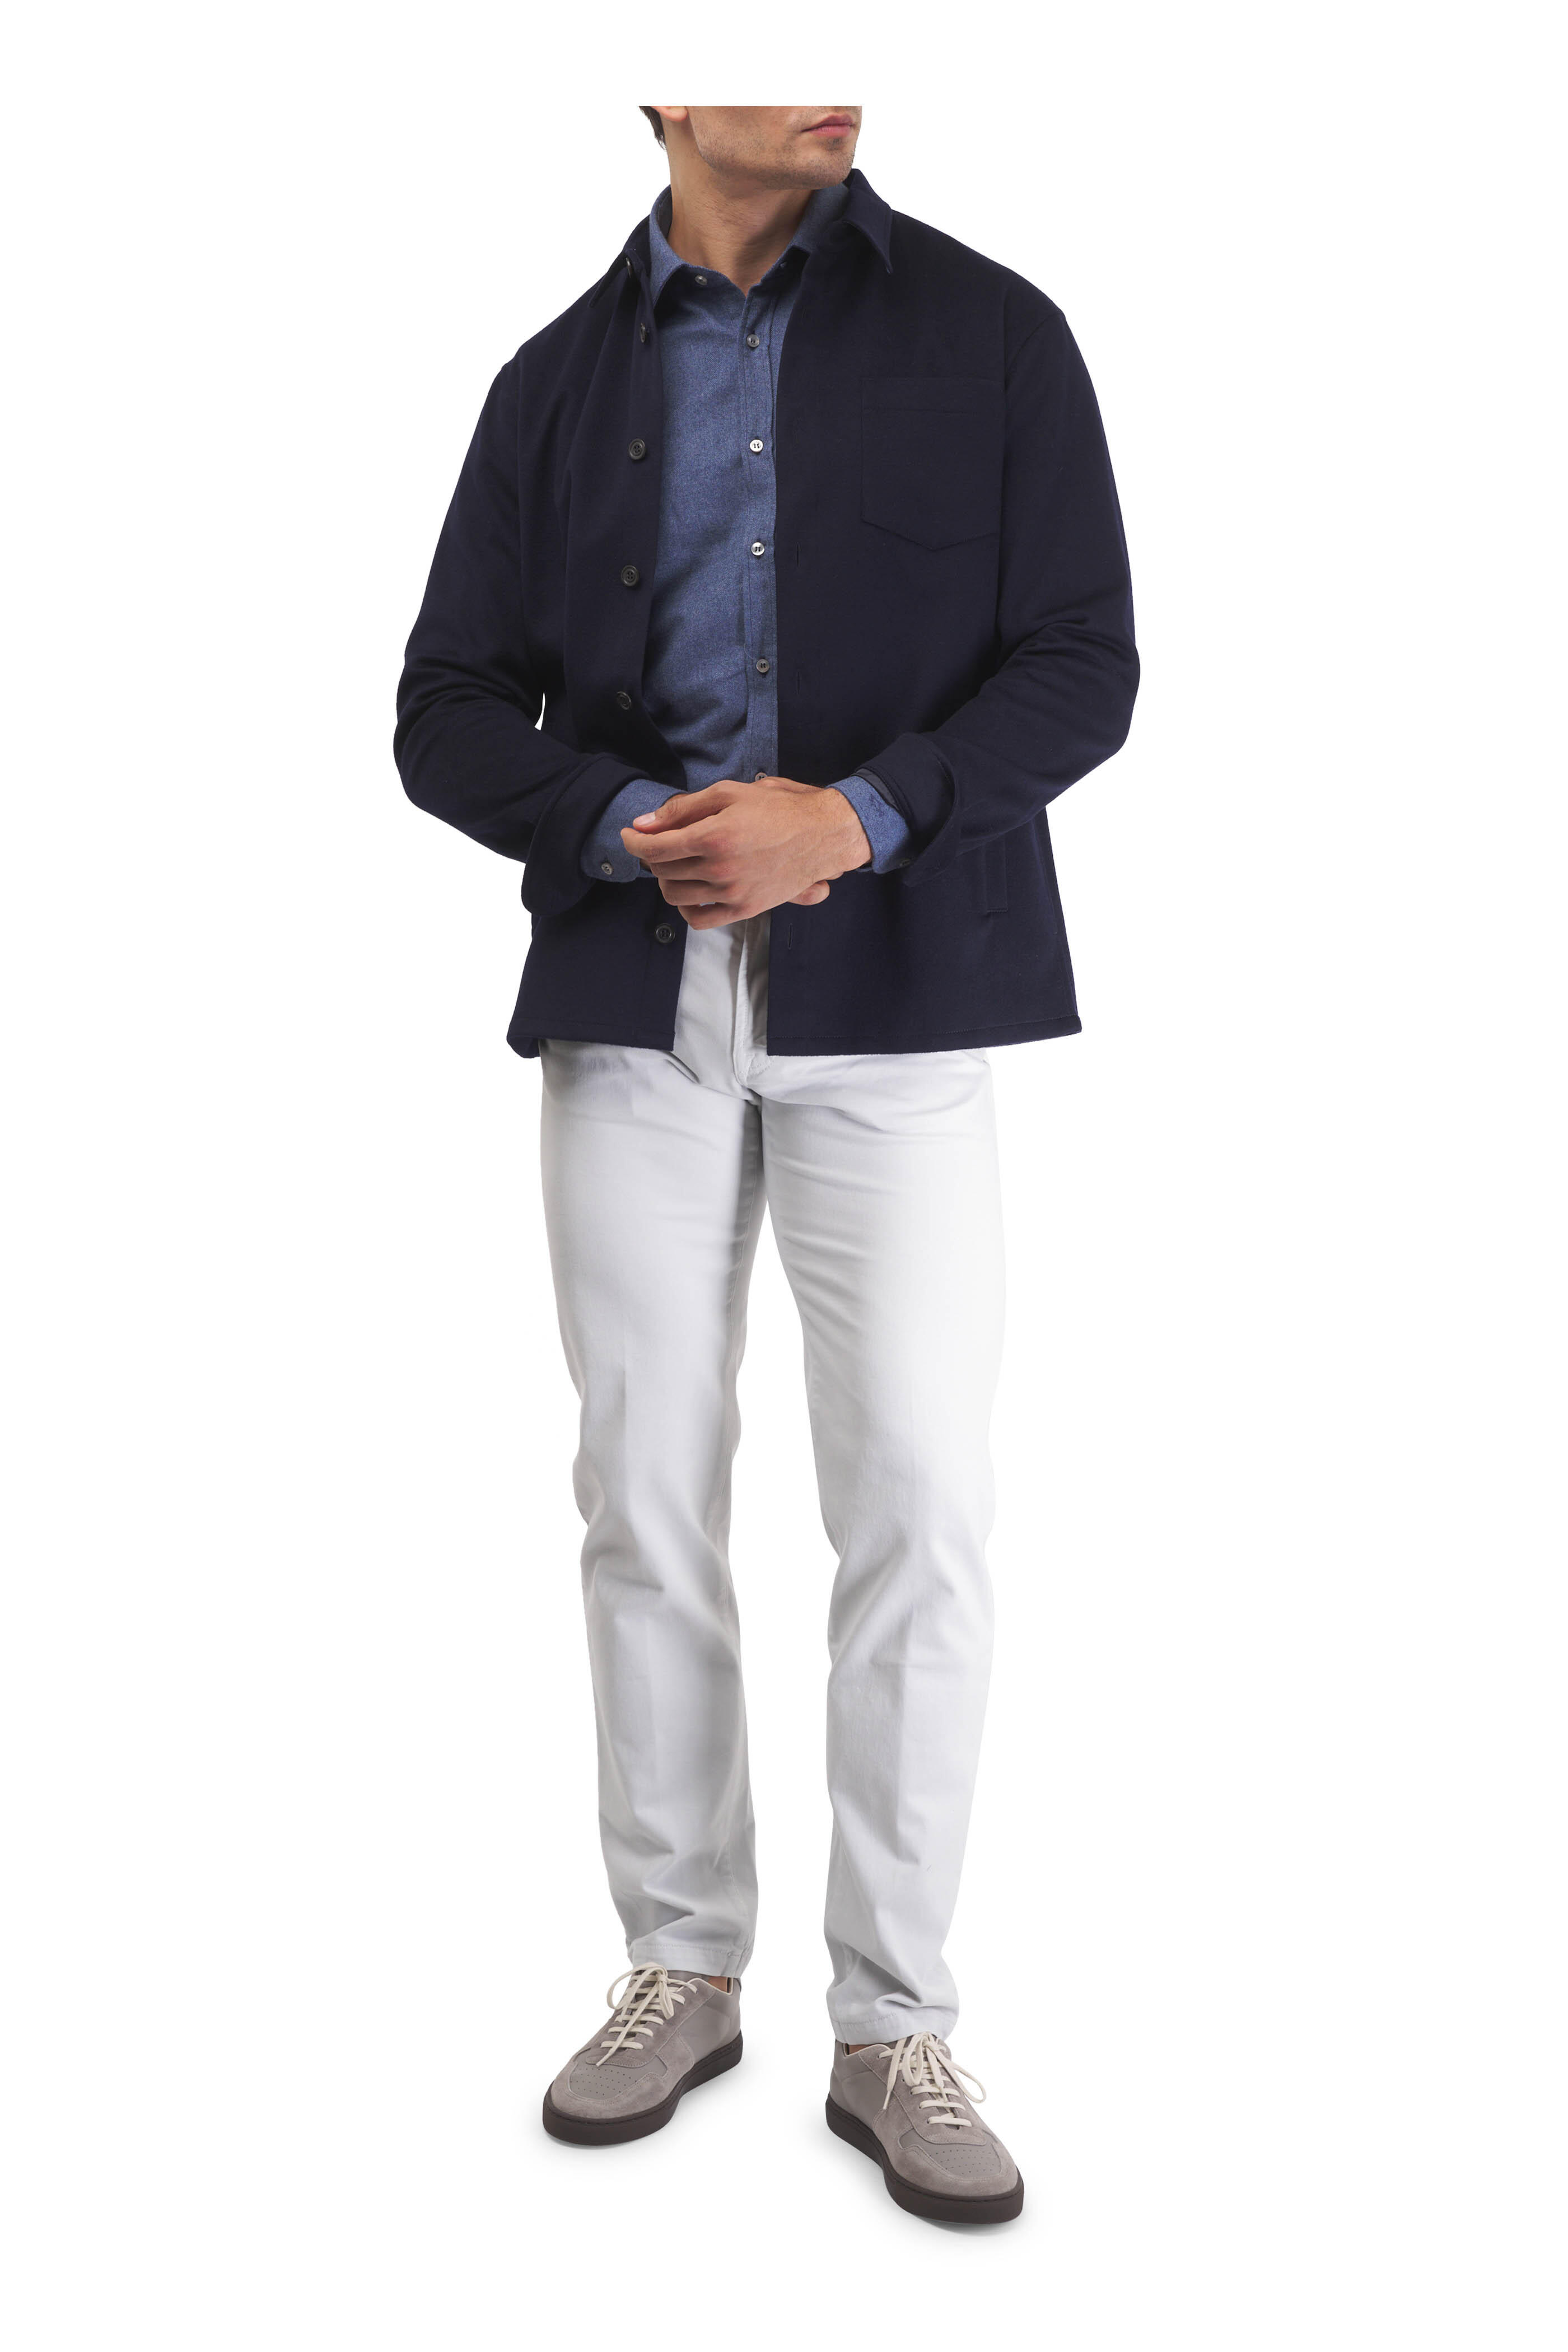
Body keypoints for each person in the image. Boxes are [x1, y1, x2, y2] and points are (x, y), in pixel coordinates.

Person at [394, 102, 1137, 2225]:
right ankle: (680, 1966)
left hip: (900, 989)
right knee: (642, 1490)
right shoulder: (555, 380)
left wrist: (857, 817)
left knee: (918, 1499)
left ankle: (895, 2019)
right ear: (657, 87)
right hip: (633, 993)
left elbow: (1085, 663)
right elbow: (447, 706)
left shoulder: (996, 335)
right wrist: (616, 824)